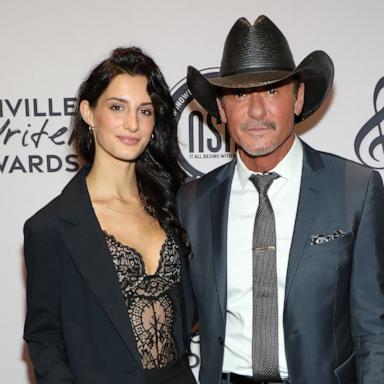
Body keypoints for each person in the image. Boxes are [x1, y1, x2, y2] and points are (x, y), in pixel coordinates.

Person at [177, 15, 384, 384]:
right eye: (240, 94)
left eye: (272, 91)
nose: (256, 111)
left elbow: (374, 327)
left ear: (298, 97)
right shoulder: (193, 201)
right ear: (222, 110)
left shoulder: (355, 189)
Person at [23, 47, 196, 384]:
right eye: (117, 107)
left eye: (144, 111)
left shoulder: (177, 206)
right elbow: (44, 339)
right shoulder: (51, 226)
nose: (132, 124)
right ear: (89, 112)